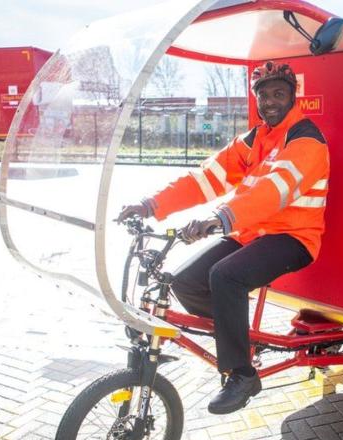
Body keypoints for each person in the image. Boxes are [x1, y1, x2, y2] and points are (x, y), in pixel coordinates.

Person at [117, 61, 329, 414]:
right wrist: (150, 205)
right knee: (182, 281)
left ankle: (242, 374)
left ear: (294, 98)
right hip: (251, 233)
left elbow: (274, 191)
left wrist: (220, 220)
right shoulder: (254, 139)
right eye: (263, 95)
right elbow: (205, 179)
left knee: (225, 276)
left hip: (294, 237)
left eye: (279, 94)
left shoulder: (306, 138)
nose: (270, 101)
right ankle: (238, 340)